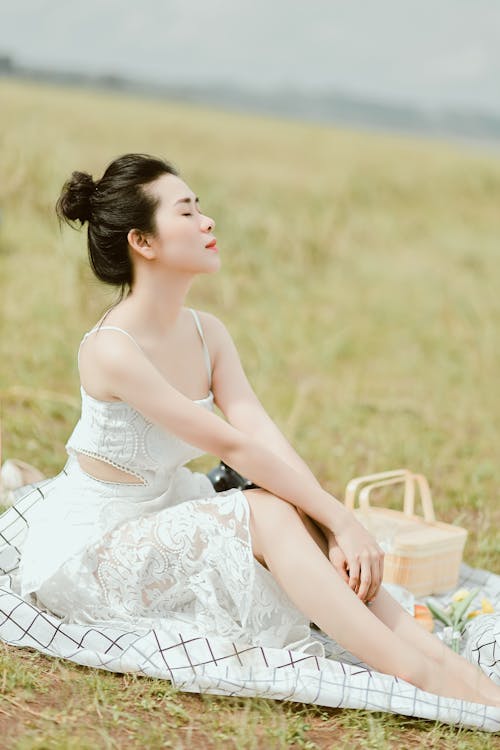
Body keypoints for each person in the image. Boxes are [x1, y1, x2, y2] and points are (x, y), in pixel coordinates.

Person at [10, 153, 500, 709]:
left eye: (202, 208)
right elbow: (233, 446)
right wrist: (342, 517)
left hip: (161, 517)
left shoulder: (208, 332)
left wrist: (333, 524)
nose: (207, 222)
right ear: (142, 242)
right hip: (92, 549)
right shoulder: (112, 350)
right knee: (266, 509)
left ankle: (446, 663)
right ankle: (418, 675)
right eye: (187, 211)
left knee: (287, 506)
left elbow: (264, 436)